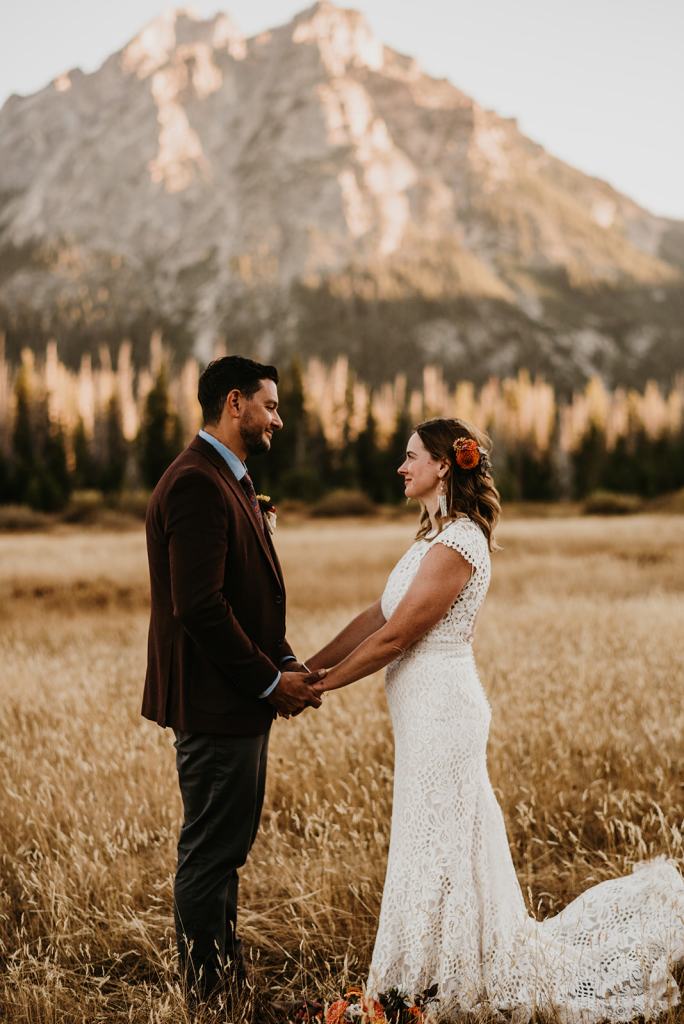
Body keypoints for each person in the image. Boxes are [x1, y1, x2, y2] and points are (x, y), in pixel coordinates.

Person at [306, 417, 684, 1022]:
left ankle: (447, 979)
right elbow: (375, 615)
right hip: (420, 716)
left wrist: (321, 687)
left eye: (410, 457)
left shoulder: (461, 543)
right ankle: (426, 974)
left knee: (448, 844)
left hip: (445, 714)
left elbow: (399, 635)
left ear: (442, 465)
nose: (400, 468)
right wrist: (306, 666)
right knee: (429, 841)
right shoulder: (426, 540)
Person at [142, 355, 323, 1000]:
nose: (279, 418)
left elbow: (247, 597)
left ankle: (223, 980)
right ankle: (206, 993)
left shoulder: (229, 479)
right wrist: (271, 683)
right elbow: (200, 607)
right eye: (271, 406)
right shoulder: (196, 482)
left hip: (233, 702)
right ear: (235, 403)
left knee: (225, 848)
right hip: (216, 703)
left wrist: (287, 660)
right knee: (210, 852)